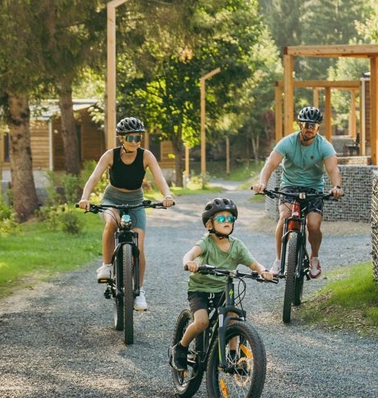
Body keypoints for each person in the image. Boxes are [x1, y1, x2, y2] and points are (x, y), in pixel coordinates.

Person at [78, 117, 175, 311]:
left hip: (136, 201)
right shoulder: (110, 155)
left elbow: (159, 177)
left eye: (138, 137)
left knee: (138, 245)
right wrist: (85, 198)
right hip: (111, 199)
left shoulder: (146, 156)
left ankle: (139, 291)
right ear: (121, 138)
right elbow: (94, 177)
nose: (135, 141)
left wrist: (167, 195)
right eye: (131, 138)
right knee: (112, 223)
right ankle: (106, 266)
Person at [170, 197, 274, 370]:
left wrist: (264, 271)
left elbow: (254, 264)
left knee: (232, 316)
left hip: (222, 289)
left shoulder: (237, 246)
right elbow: (190, 254)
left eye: (230, 218)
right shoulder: (206, 243)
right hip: (200, 289)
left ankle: (233, 355)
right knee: (202, 322)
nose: (227, 221)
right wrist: (189, 262)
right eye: (221, 218)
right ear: (209, 224)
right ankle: (180, 348)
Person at [252, 105, 343, 279]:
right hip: (290, 186)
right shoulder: (287, 142)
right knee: (284, 217)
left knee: (313, 225)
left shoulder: (324, 146)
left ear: (318, 128)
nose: (309, 128)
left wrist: (337, 187)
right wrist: (262, 183)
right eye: (306, 124)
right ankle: (278, 260)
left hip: (314, 188)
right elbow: (270, 164)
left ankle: (314, 258)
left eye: (313, 125)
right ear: (300, 125)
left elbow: (333, 170)